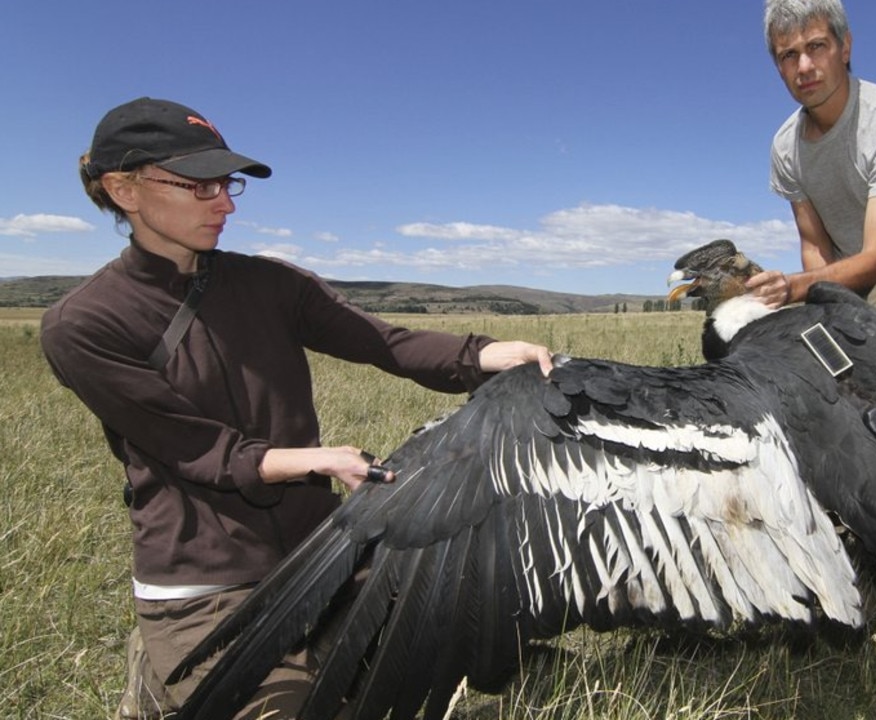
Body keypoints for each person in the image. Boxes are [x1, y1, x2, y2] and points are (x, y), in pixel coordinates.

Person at [40, 97, 553, 719]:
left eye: (226, 184)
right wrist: (318, 461)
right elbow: (200, 451)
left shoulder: (269, 284)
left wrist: (490, 353)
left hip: (323, 557)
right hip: (208, 587)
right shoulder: (83, 323)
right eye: (199, 185)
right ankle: (165, 664)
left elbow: (384, 343)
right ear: (123, 189)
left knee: (501, 645)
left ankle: (193, 676)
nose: (224, 203)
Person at [747, 0, 876, 312]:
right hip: (854, 281)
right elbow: (814, 245)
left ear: (845, 47)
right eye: (789, 55)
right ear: (779, 68)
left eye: (816, 46)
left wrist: (794, 287)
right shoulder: (785, 146)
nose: (804, 66)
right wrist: (818, 301)